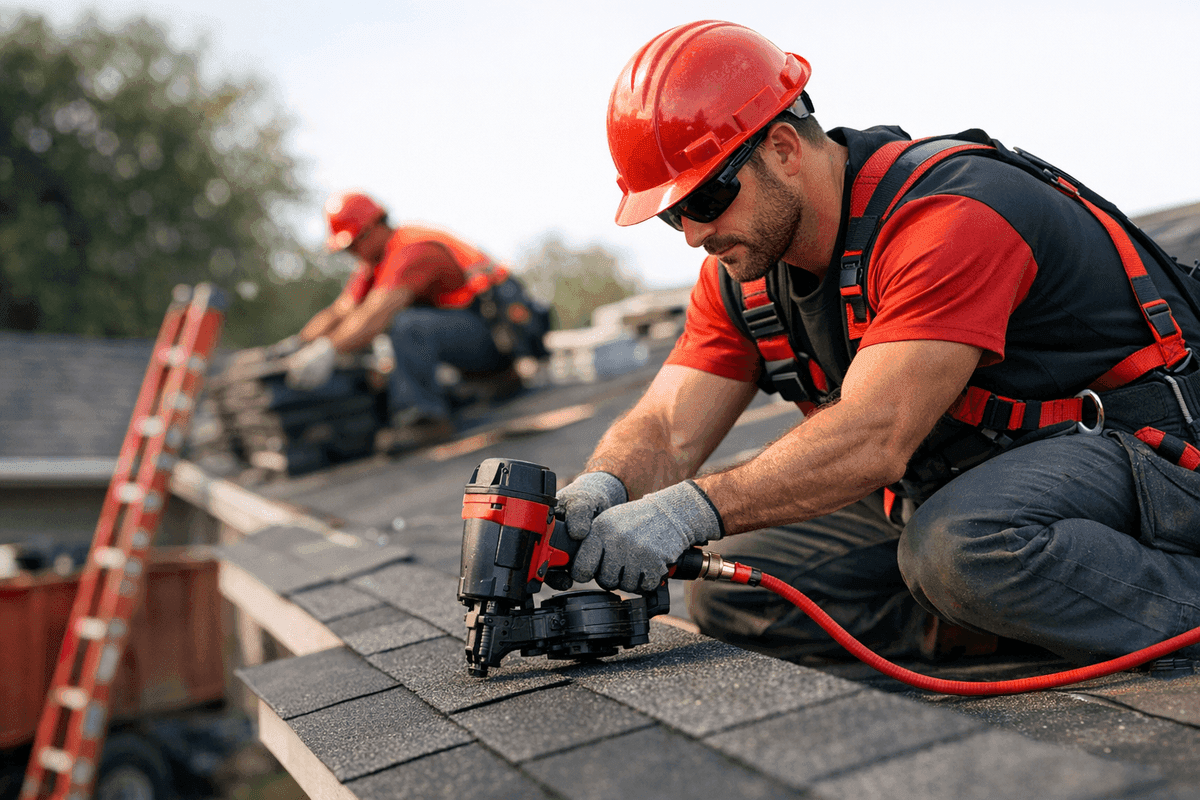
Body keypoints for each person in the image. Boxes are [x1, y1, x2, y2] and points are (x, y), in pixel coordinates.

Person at [557, 20, 1200, 666]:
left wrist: (687, 510)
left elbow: (874, 436)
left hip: (1151, 457)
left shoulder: (947, 217)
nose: (695, 234)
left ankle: (1158, 609)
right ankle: (1004, 615)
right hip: (976, 480)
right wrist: (599, 489)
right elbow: (669, 427)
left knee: (957, 549)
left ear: (783, 149)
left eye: (708, 197)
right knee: (733, 586)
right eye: (674, 214)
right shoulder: (743, 276)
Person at [285, 192, 548, 448]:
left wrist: (328, 349)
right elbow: (340, 312)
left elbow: (375, 315)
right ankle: (473, 389)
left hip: (495, 340)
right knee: (389, 338)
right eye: (348, 248)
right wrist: (298, 345)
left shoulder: (413, 250)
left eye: (355, 243)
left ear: (375, 226)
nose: (353, 253)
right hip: (468, 337)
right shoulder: (375, 264)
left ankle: (426, 420)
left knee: (407, 325)